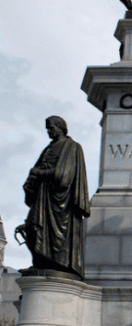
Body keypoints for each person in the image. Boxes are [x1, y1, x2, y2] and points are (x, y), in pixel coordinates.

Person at [18, 116, 90, 279]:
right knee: (32, 227)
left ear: (61, 128)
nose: (49, 132)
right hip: (43, 197)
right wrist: (32, 180)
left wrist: (40, 173)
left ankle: (57, 264)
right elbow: (36, 170)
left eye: (51, 128)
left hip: (60, 201)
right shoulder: (49, 148)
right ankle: (40, 263)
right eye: (47, 129)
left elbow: (65, 175)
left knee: (56, 234)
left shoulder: (71, 147)